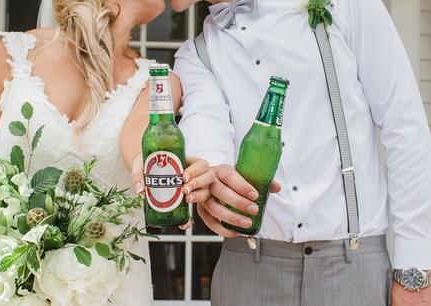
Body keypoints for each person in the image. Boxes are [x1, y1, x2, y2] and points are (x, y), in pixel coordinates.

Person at [169, 0, 431, 305]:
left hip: (354, 269)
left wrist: (414, 271)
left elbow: (405, 128)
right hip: (247, 274)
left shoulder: (348, 4)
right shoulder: (195, 56)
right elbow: (205, 128)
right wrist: (213, 180)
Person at [0, 0, 214, 305]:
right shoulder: (10, 55)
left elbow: (142, 140)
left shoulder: (158, 83)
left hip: (114, 292)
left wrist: (156, 169)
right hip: (7, 290)